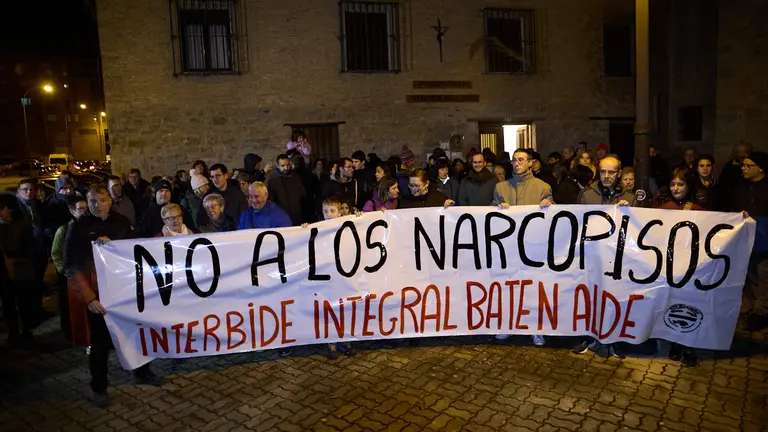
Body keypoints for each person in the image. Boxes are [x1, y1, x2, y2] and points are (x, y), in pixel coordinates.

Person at [65, 184, 163, 407]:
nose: (97, 205)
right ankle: (99, 387)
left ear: (110, 200)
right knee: (100, 344)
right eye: (93, 201)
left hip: (125, 292)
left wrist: (116, 246)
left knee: (135, 333)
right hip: (99, 296)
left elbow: (134, 252)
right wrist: (89, 298)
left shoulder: (121, 222)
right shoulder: (78, 227)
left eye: (102, 200)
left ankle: (142, 371)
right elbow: (71, 267)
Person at [572, 156, 633, 358]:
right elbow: (575, 222)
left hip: (618, 260)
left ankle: (615, 339)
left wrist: (630, 211)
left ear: (619, 173)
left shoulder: (630, 197)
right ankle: (589, 336)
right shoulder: (587, 194)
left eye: (611, 172)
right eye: (603, 171)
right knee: (590, 297)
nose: (606, 176)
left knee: (615, 298)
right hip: (592, 257)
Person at [492, 148, 553, 348]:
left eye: (521, 160)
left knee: (533, 287)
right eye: (514, 160)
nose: (516, 164)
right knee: (509, 286)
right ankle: (508, 323)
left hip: (533, 246)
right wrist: (497, 209)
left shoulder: (543, 187)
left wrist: (549, 204)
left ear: (531, 163)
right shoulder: (501, 188)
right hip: (509, 246)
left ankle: (536, 327)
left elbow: (552, 216)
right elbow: (489, 216)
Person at [653, 168, 703, 366]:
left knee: (689, 305)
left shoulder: (698, 210)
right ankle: (674, 342)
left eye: (680, 184)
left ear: (689, 186)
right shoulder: (663, 208)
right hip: (669, 266)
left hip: (691, 267)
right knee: (672, 304)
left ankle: (688, 345)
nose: (676, 188)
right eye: (673, 184)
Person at [304, 196, 357, 359]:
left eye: (332, 211)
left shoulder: (347, 225)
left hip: (343, 276)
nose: (328, 214)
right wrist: (304, 230)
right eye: (325, 211)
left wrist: (361, 217)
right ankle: (331, 343)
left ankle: (346, 341)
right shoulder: (318, 229)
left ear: (340, 212)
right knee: (329, 309)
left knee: (344, 308)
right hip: (327, 276)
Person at [730, 152, 768, 331]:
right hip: (747, 241)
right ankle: (756, 308)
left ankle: (761, 313)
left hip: (764, 239)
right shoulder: (741, 187)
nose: (744, 169)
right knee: (753, 275)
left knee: (764, 275)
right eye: (742, 165)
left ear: (760, 168)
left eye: (748, 166)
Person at [51, 196, 88, 341]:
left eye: (86, 208)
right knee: (68, 306)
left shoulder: (90, 226)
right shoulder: (63, 230)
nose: (84, 212)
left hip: (85, 273)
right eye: (81, 209)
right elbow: (55, 253)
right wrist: (64, 271)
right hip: (68, 275)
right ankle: (69, 333)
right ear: (72, 211)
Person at [0, 193, 36, 346]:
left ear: (8, 209)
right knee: (7, 303)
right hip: (3, 271)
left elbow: (30, 248)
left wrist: (14, 260)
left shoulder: (22, 224)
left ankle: (27, 332)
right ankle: (13, 333)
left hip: (21, 268)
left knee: (24, 302)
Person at [265, 154, 306, 226]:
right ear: (277, 166)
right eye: (283, 166)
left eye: (288, 165)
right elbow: (268, 199)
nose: (286, 168)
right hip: (280, 217)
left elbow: (302, 193)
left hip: (296, 216)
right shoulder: (271, 179)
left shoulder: (295, 176)